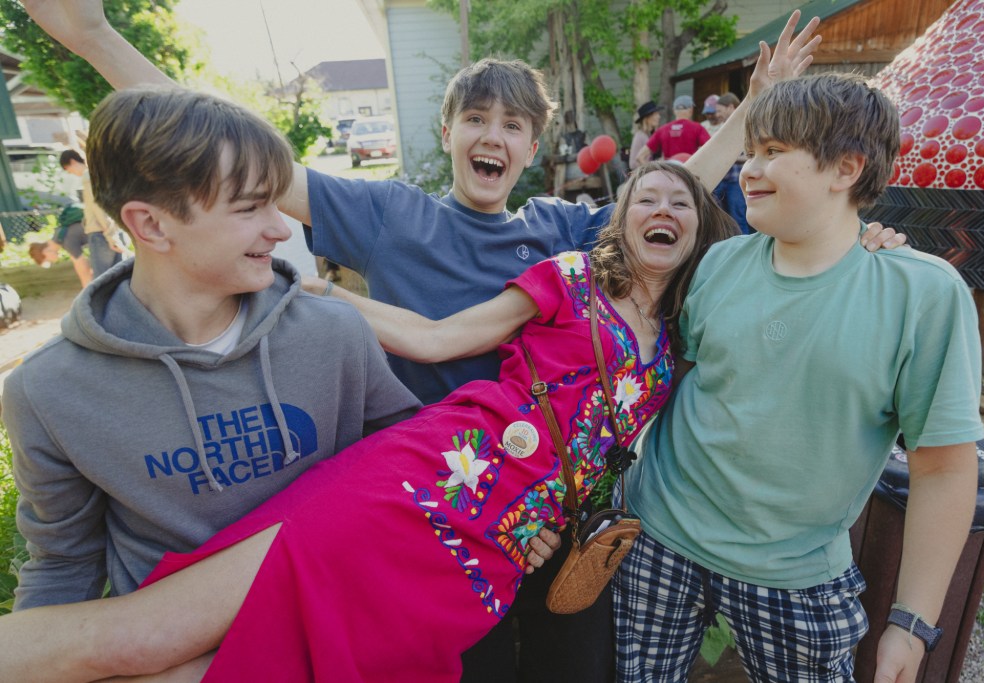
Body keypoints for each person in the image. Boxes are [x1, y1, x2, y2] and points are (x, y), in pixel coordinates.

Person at [18, 4, 901, 681]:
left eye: (513, 123)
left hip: (540, 518)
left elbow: (666, 199)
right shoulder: (390, 212)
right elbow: (235, 166)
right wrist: (96, 36)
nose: (493, 134)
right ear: (448, 134)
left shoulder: (566, 237)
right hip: (426, 489)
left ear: (531, 144)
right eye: (475, 117)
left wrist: (830, 218)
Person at [0, 160, 731, 682]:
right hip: (438, 468)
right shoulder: (567, 278)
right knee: (149, 635)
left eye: (680, 203)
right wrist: (327, 295)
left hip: (508, 536)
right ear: (622, 214)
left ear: (699, 229)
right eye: (646, 197)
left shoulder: (678, 344)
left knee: (247, 668)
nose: (661, 210)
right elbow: (439, 338)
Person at [614, 73, 984, 683]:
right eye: (750, 151)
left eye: (774, 152)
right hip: (660, 535)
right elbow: (674, 379)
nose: (748, 169)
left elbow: (944, 467)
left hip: (797, 571)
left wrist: (913, 623)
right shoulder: (718, 261)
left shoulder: (920, 293)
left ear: (845, 167)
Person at [2, 85, 422, 612]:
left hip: (343, 630)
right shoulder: (45, 392)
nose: (279, 227)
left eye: (275, 200)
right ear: (151, 223)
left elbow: (416, 470)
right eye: (249, 207)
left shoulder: (337, 332)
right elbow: (63, 566)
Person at [58, 148, 131, 276]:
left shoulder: (89, 178)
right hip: (115, 231)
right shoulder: (102, 174)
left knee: (102, 282)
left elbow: (99, 208)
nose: (70, 173)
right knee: (121, 278)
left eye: (67, 169)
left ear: (72, 161)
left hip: (101, 234)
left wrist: (111, 237)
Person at [709, 92, 751, 234]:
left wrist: (729, 157)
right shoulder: (723, 128)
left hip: (737, 181)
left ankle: (745, 251)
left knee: (738, 219)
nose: (717, 114)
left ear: (731, 107)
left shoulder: (747, 126)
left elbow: (752, 156)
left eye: (720, 111)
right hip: (722, 181)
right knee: (719, 218)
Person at [633, 95, 710, 167]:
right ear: (691, 110)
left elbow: (640, 157)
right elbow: (712, 150)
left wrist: (654, 172)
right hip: (690, 173)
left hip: (669, 175)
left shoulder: (662, 130)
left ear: (674, 111)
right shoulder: (697, 128)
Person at [27, 203, 93, 287]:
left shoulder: (65, 241)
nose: (54, 261)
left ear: (45, 252)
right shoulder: (59, 234)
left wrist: (87, 292)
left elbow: (83, 270)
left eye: (49, 261)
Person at [629, 100, 662, 171]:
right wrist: (652, 169)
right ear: (647, 118)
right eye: (655, 114)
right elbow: (632, 164)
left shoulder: (653, 135)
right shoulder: (639, 136)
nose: (659, 117)